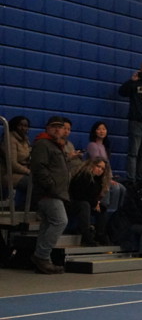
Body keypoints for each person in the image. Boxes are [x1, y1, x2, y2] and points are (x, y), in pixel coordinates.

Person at [30, 116, 71, 273]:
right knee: (60, 221)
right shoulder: (43, 144)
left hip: (55, 192)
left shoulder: (56, 145)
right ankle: (42, 256)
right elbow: (39, 167)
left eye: (60, 127)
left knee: (47, 224)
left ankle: (42, 259)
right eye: (54, 126)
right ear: (47, 128)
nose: (57, 129)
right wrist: (51, 185)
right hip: (48, 192)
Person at [69, 158, 111, 246]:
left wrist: (96, 203)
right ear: (92, 165)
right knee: (85, 205)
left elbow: (93, 196)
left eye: (102, 169)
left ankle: (100, 234)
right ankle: (86, 235)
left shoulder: (99, 180)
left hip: (87, 203)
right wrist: (94, 203)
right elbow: (79, 194)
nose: (100, 170)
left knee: (102, 207)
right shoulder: (83, 176)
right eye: (98, 166)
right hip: (73, 203)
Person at [0, 115, 32, 205]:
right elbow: (12, 164)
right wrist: (29, 172)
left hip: (22, 173)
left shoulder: (25, 140)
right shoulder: (9, 139)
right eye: (20, 125)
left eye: (26, 126)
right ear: (14, 126)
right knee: (34, 183)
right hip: (9, 175)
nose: (23, 128)